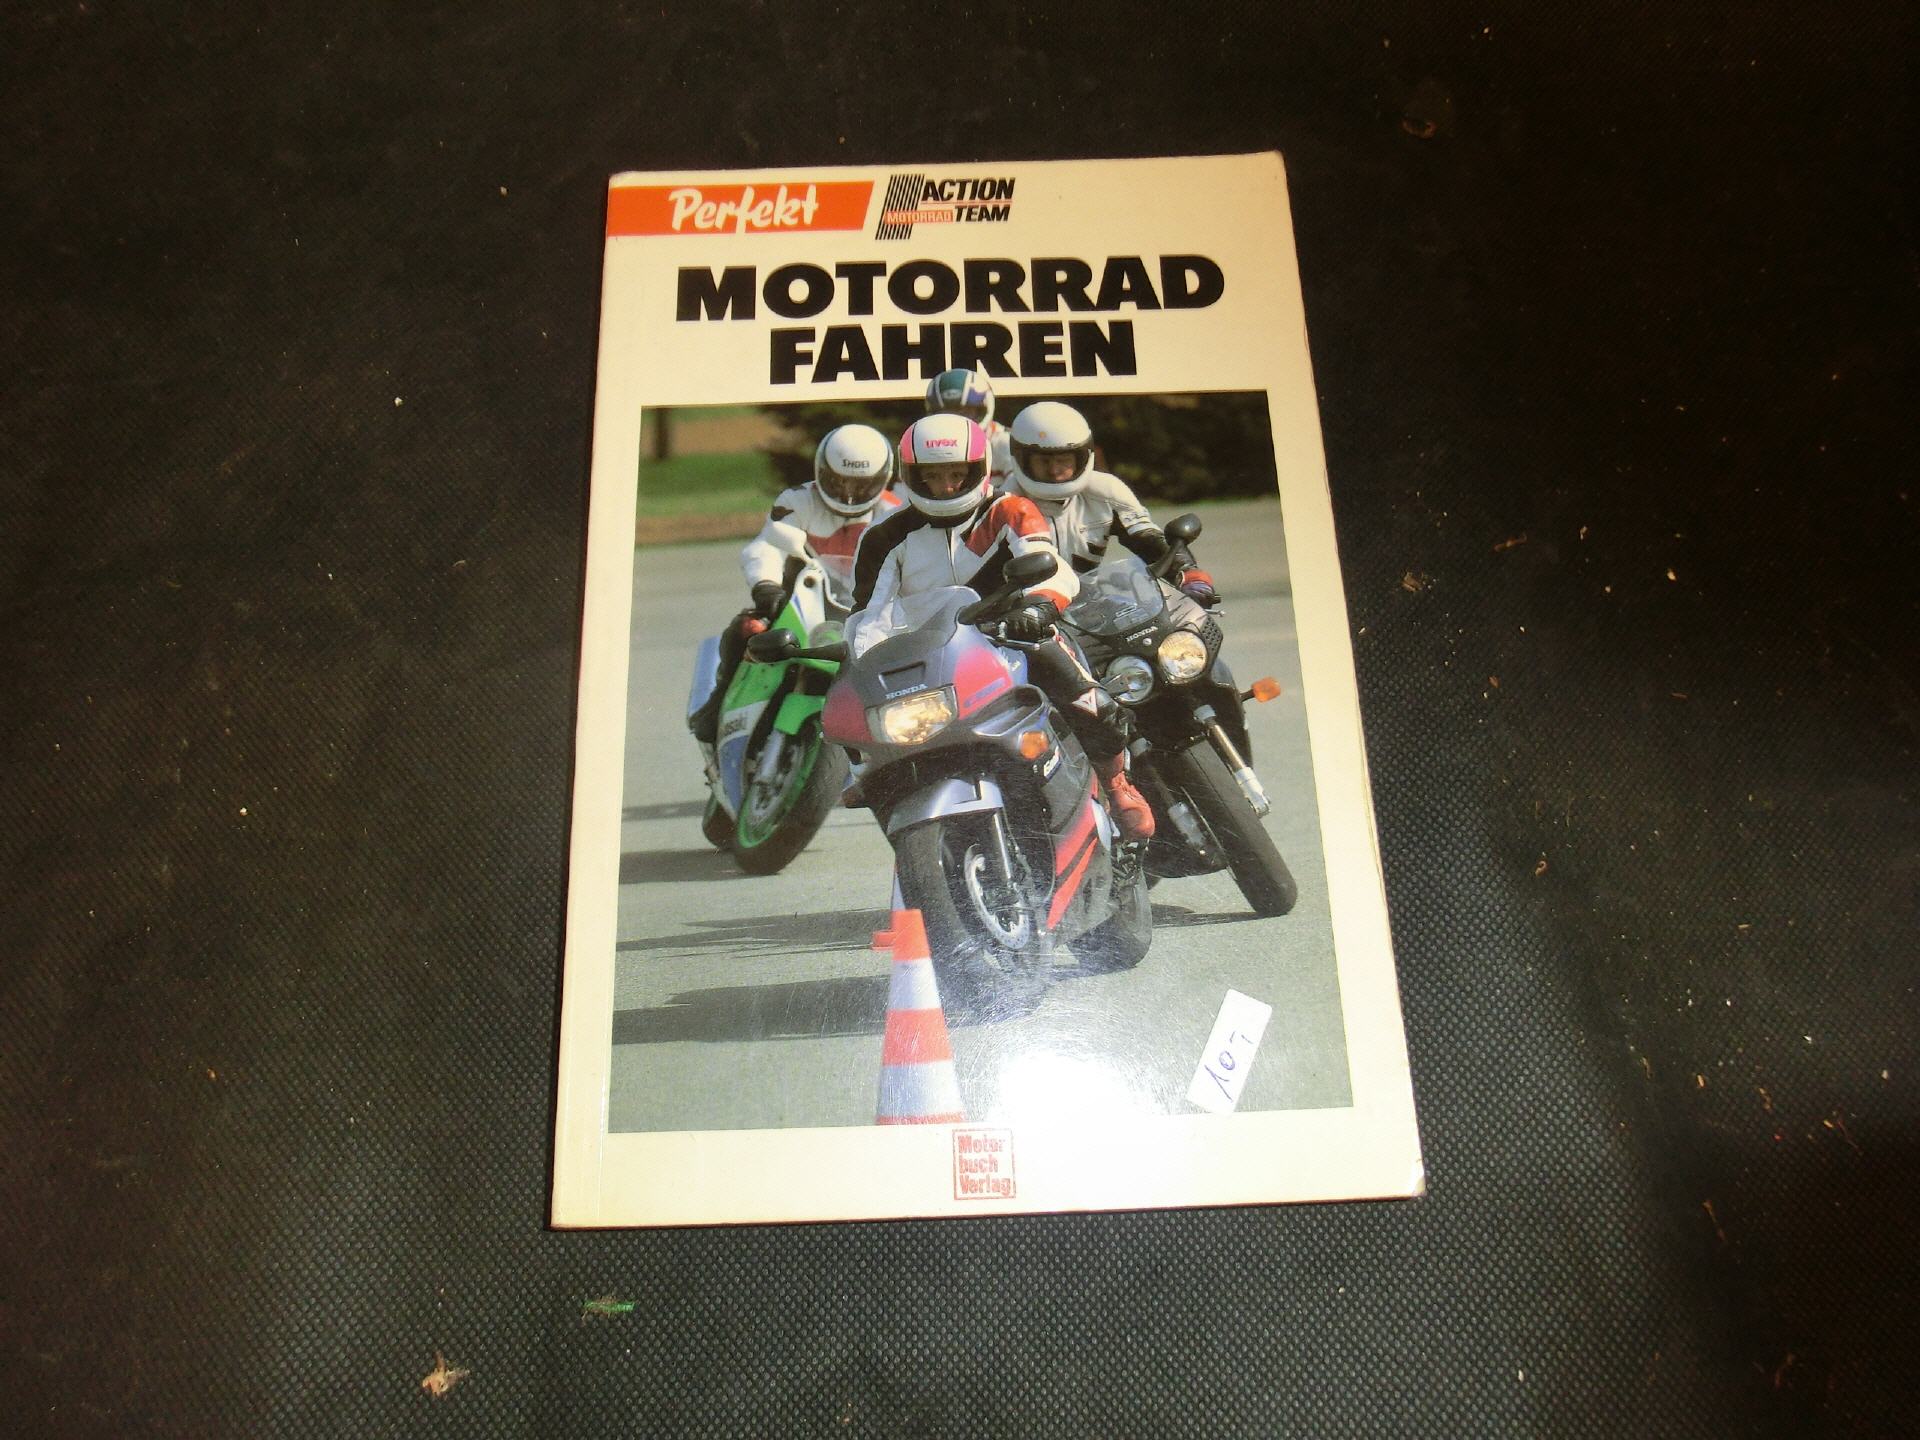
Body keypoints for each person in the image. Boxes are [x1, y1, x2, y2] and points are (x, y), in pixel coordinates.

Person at [851, 413, 1155, 842]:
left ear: (978, 469)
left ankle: (1116, 782)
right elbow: (869, 614)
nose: (947, 486)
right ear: (912, 476)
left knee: (1090, 702)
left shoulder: (1010, 510)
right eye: (933, 476)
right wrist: (863, 659)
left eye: (957, 474)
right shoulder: (884, 536)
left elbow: (1049, 565)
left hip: (1014, 635)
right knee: (877, 725)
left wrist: (1039, 606)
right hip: (932, 653)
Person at [689, 423, 901, 745]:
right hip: (799, 601)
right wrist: (766, 586)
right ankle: (716, 703)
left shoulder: (895, 512)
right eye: (839, 481)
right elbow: (766, 546)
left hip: (863, 613)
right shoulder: (797, 500)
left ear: (882, 479)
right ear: (822, 471)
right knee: (746, 628)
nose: (848, 493)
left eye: (861, 484)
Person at [1002, 400, 1217, 605]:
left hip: (1087, 608)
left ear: (1082, 456)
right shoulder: (1005, 502)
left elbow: (1148, 539)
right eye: (1043, 461)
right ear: (1022, 459)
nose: (1054, 470)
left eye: (1063, 460)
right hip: (1025, 611)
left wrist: (1189, 574)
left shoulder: (1105, 491)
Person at [924, 367, 1013, 489]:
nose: (956, 419)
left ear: (982, 410)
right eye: (948, 412)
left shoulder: (1004, 442)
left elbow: (1017, 490)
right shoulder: (926, 444)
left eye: (963, 411)